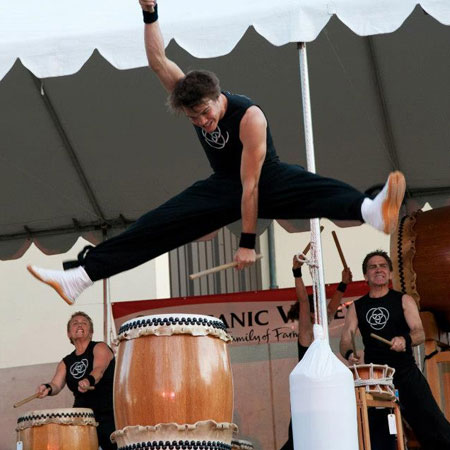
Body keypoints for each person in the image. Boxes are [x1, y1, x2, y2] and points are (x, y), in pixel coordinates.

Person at [26, 0, 406, 306]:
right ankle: (81, 276)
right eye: (194, 118)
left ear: (217, 97)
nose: (204, 122)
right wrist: (149, 12)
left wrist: (247, 243)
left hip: (263, 179)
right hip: (223, 185)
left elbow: (251, 187)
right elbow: (157, 60)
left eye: (206, 113)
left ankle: (369, 210)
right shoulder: (188, 92)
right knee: (158, 225)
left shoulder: (249, 118)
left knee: (315, 190)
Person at [340, 250, 450, 450]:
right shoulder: (357, 307)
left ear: (390, 274)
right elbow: (346, 338)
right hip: (377, 379)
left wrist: (404, 339)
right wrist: (349, 353)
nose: (378, 269)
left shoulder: (403, 300)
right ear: (365, 276)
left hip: (405, 372)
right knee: (381, 435)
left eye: (383, 266)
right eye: (372, 267)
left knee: (434, 427)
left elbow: (419, 333)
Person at [280, 254, 353, 450]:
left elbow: (331, 307)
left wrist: (343, 284)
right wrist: (297, 272)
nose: (326, 314)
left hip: (323, 390)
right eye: (318, 311)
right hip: (307, 392)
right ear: (312, 314)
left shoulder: (323, 328)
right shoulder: (307, 333)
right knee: (298, 440)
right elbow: (303, 300)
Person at [36, 312, 117, 450]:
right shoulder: (66, 362)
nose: (79, 324)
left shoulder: (100, 347)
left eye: (84, 323)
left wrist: (88, 380)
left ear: (91, 332)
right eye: (75, 323)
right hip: (81, 416)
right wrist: (47, 388)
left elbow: (99, 370)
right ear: (69, 334)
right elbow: (56, 384)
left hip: (107, 413)